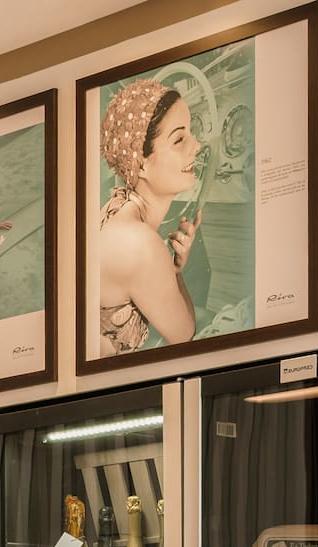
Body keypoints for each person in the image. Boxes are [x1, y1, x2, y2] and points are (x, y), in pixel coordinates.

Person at [96, 78, 204, 355]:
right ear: (140, 163)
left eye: (191, 132)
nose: (197, 145)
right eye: (179, 139)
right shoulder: (140, 244)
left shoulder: (115, 207)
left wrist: (170, 269)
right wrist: (176, 273)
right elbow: (184, 335)